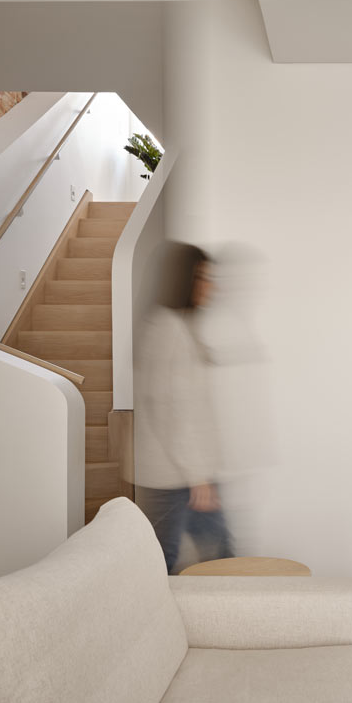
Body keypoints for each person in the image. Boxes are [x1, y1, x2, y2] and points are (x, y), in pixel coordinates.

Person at [133, 241, 233, 572]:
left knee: (215, 556)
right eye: (203, 277)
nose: (212, 287)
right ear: (183, 280)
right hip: (174, 478)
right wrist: (198, 477)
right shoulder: (169, 330)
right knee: (172, 563)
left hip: (183, 474)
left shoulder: (178, 326)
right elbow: (173, 412)